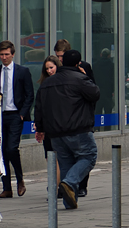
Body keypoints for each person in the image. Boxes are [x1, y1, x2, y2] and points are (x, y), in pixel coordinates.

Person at [35, 49, 100, 210]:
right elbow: (95, 94)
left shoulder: (48, 83)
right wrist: (86, 76)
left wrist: (41, 128)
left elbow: (39, 107)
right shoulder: (79, 78)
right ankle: (69, 183)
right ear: (78, 63)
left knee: (65, 164)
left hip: (55, 133)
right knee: (89, 156)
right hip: (78, 129)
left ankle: (69, 201)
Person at [0, 41, 34, 198]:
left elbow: (30, 94)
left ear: (13, 54)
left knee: (11, 148)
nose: (4, 57)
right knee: (2, 151)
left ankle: (20, 179)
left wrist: (22, 113)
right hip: (1, 115)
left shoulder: (22, 71)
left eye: (7, 54)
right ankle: (7, 187)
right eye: (1, 55)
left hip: (16, 114)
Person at [54, 39, 94, 195]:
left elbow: (93, 91)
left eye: (62, 56)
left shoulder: (83, 67)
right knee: (69, 157)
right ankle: (68, 187)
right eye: (58, 56)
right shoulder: (56, 69)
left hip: (81, 118)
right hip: (62, 118)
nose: (60, 59)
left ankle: (81, 186)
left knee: (84, 154)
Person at [37, 56, 61, 182]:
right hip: (48, 126)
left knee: (58, 157)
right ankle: (54, 186)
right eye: (47, 69)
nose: (50, 71)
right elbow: (39, 107)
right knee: (50, 157)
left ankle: (56, 186)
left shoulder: (62, 83)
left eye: (51, 68)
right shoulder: (44, 85)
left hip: (60, 126)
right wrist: (39, 126)